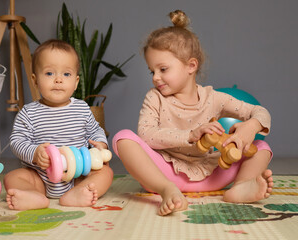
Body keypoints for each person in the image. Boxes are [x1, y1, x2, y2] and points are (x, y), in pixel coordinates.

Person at [112, 10, 273, 216]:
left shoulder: (214, 97)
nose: (155, 78)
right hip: (167, 173)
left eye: (163, 69)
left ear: (191, 66)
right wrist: (190, 135)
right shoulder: (155, 98)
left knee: (262, 147)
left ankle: (241, 187)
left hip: (212, 173)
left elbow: (260, 111)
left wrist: (252, 126)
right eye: (152, 71)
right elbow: (146, 134)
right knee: (123, 138)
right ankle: (166, 191)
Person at [4, 39, 113, 211]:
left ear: (76, 82)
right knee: (13, 176)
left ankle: (78, 193)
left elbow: (95, 130)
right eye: (49, 73)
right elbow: (17, 141)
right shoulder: (29, 112)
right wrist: (35, 152)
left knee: (105, 172)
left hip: (77, 175)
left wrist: (100, 144)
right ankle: (33, 195)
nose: (58, 80)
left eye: (66, 74)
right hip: (40, 176)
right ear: (35, 80)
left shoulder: (82, 108)